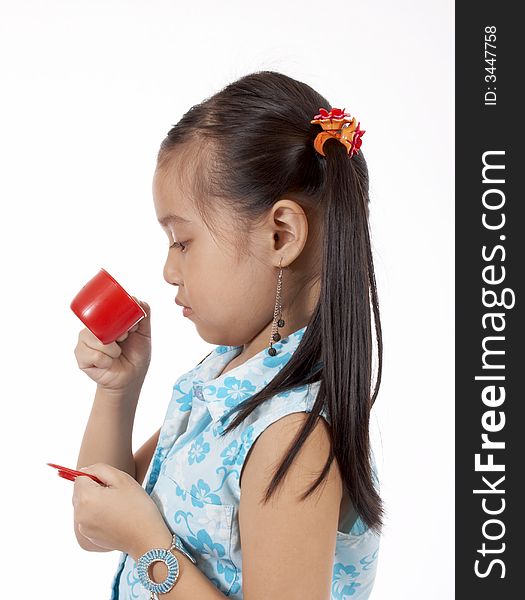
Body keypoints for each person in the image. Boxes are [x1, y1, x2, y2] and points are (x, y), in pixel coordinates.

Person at [72, 70, 384, 600]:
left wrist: (150, 547)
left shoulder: (293, 439)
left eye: (182, 241)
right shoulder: (218, 382)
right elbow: (95, 523)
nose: (169, 271)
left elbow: (130, 534)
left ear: (280, 235)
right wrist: (116, 390)